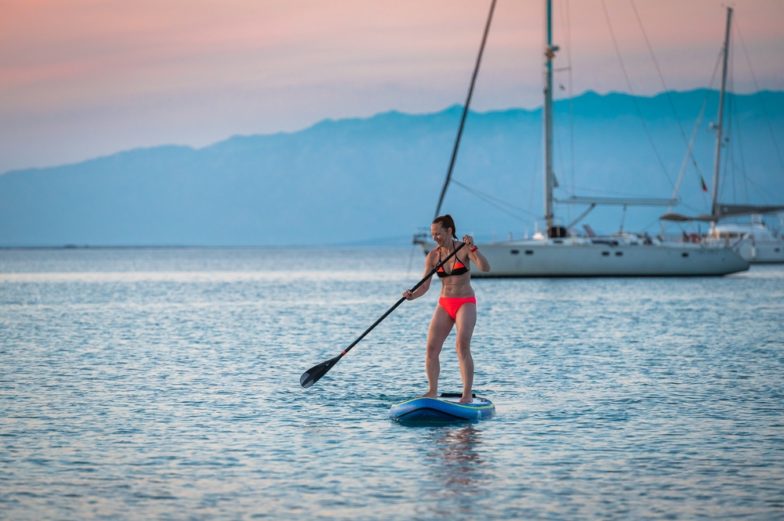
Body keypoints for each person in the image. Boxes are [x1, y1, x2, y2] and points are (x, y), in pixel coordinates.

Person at [403, 215, 490, 403]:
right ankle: (432, 390)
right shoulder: (433, 256)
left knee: (461, 346)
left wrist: (474, 247)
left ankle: (466, 394)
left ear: (449, 231)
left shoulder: (464, 248)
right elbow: (424, 286)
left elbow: (485, 267)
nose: (435, 237)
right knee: (431, 349)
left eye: (438, 234)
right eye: (433, 234)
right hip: (445, 303)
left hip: (465, 302)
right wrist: (412, 296)